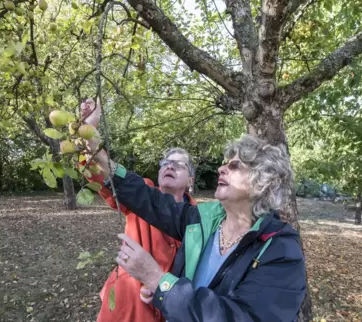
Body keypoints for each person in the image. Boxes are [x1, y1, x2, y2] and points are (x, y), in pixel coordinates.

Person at [86, 127, 307, 321]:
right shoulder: (202, 220)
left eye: (235, 166)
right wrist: (100, 156)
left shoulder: (281, 251)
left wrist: (159, 282)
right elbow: (146, 197)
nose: (221, 169)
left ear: (263, 182)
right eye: (224, 164)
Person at [79, 99, 197, 322]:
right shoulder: (140, 191)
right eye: (165, 163)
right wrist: (87, 131)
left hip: (169, 310)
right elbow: (97, 172)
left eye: (178, 164)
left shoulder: (201, 216)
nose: (169, 166)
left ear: (190, 180)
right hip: (127, 306)